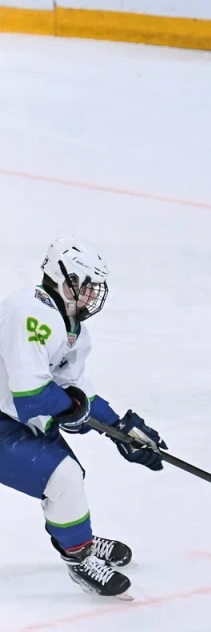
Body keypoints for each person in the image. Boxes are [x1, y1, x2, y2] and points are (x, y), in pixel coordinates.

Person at [0, 237, 168, 598]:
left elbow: (72, 388)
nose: (93, 294)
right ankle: (79, 558)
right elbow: (31, 394)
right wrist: (74, 409)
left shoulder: (70, 327)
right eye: (88, 284)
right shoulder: (29, 312)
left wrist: (120, 428)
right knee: (63, 477)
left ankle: (80, 540)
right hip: (8, 418)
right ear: (66, 279)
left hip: (12, 418)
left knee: (68, 479)